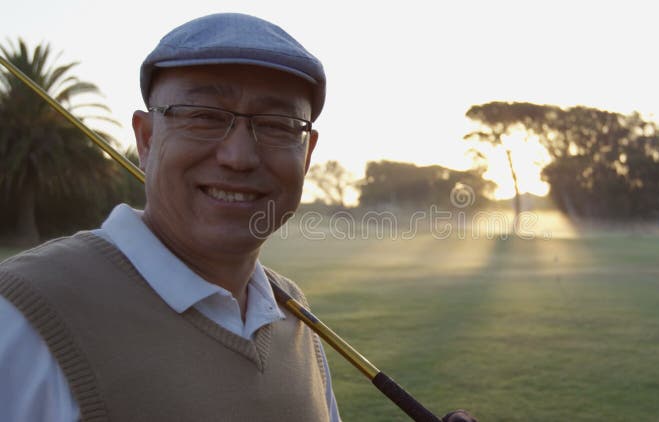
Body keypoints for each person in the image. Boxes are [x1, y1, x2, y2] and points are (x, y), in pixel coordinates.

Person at [0, 13, 476, 422]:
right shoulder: (22, 314)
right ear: (145, 140)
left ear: (307, 154)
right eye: (203, 115)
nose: (239, 156)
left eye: (278, 125)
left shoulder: (292, 313)